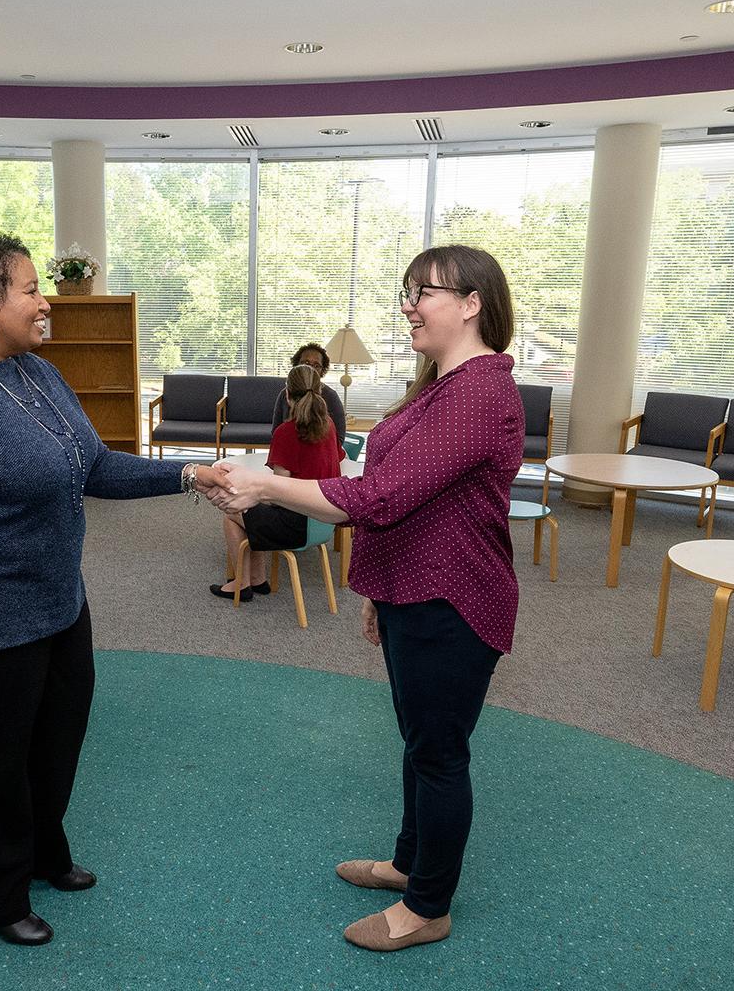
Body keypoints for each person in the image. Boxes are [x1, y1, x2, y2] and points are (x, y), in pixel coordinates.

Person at [0, 224, 228, 947]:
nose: (44, 303)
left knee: (55, 742)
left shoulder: (37, 371)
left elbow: (93, 467)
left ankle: (40, 854)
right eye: (31, 289)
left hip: (58, 605)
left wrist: (190, 474)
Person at [208, 244, 523, 952]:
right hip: (417, 590)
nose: (409, 305)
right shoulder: (442, 386)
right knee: (419, 745)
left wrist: (262, 483)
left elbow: (378, 497)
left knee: (439, 754)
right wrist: (379, 589)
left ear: (472, 304)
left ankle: (428, 907)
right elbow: (412, 503)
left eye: (426, 293)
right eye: (406, 292)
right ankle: (409, 865)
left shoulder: (478, 390)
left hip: (455, 600)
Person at [212, 363, 344, 600]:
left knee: (233, 511)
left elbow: (278, 490)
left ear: (287, 395)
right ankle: (258, 579)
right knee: (254, 510)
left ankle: (242, 584)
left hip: (296, 524)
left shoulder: (286, 433)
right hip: (324, 520)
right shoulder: (329, 426)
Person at [270, 342, 347, 443]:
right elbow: (276, 432)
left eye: (316, 365)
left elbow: (339, 438)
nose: (310, 368)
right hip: (289, 452)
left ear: (322, 371)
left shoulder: (330, 396)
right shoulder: (285, 394)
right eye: (306, 363)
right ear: (296, 365)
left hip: (323, 456)